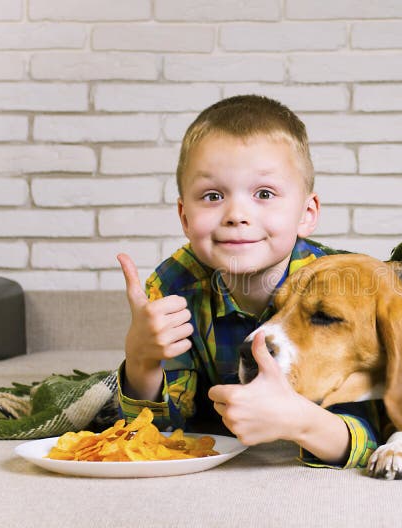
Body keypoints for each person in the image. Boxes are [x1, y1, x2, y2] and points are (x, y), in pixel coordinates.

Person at [116, 95, 381, 468]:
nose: (237, 215)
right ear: (185, 217)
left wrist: (299, 420)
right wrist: (141, 361)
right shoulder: (174, 286)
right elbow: (160, 437)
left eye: (264, 194)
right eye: (212, 196)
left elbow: (371, 434)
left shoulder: (341, 291)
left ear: (307, 213)